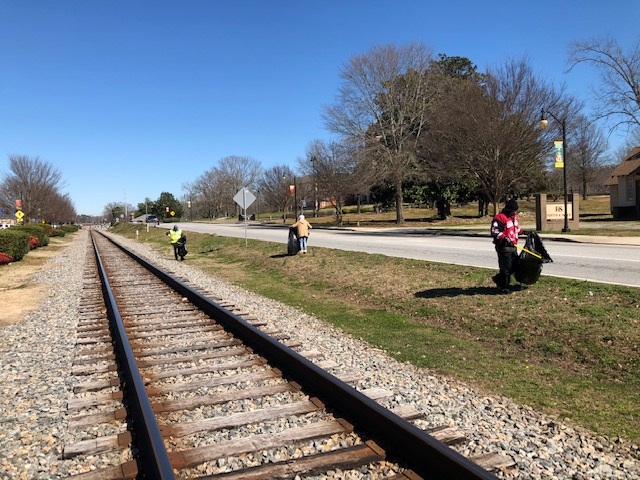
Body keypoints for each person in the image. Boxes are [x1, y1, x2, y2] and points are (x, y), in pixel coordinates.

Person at [491, 198, 524, 293]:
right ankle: (504, 287)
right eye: (512, 211)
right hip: (503, 247)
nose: (514, 213)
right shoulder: (499, 218)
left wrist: (523, 232)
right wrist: (504, 238)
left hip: (513, 246)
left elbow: (514, 230)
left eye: (515, 211)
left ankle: (498, 279)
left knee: (514, 266)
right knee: (506, 267)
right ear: (508, 209)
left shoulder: (514, 217)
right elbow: (495, 231)